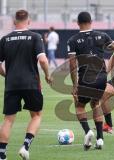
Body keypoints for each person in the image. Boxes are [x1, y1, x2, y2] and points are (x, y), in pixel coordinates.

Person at [0, 10, 52, 160]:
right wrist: (48, 75)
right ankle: (25, 146)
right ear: (29, 21)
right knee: (36, 115)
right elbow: (42, 60)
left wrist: (6, 75)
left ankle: (2, 155)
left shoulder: (4, 39)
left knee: (8, 119)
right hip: (31, 83)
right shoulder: (35, 37)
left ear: (14, 22)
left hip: (11, 84)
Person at [68, 11, 114, 150]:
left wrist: (75, 85)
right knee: (95, 104)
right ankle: (100, 139)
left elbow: (73, 64)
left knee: (79, 105)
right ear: (91, 22)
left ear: (78, 23)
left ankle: (88, 131)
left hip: (86, 78)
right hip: (101, 78)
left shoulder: (73, 40)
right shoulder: (102, 36)